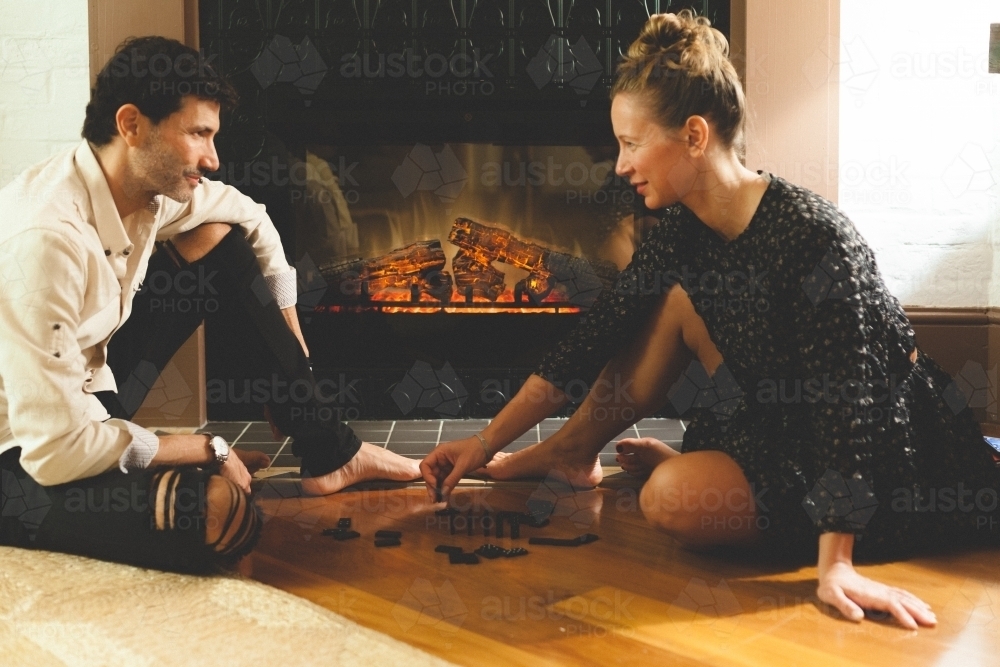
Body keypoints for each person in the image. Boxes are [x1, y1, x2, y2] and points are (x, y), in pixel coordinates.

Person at [421, 11, 1000, 629]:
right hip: (781, 419)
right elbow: (596, 336)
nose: (620, 165)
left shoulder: (817, 239)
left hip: (884, 447)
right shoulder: (682, 230)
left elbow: (848, 408)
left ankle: (706, 481)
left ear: (695, 135)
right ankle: (570, 453)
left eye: (632, 143)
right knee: (666, 301)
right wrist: (483, 444)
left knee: (670, 500)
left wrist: (837, 564)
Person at [0, 36, 418, 573]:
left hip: (88, 396)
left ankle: (331, 449)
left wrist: (296, 360)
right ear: (131, 125)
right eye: (198, 133)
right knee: (213, 514)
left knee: (220, 237)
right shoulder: (47, 239)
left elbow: (253, 217)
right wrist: (202, 448)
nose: (213, 158)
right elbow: (58, 449)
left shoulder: (143, 192)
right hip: (24, 451)